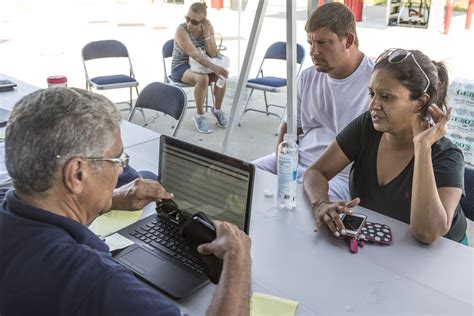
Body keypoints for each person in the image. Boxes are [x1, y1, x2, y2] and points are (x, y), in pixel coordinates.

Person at [0, 87, 252, 315]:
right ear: (77, 174)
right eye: (117, 160)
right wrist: (238, 260)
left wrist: (110, 199)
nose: (121, 171)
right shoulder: (97, 281)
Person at [303, 48, 468, 245]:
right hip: (384, 246)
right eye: (371, 93)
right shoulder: (368, 126)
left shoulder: (446, 154)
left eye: (386, 97)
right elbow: (315, 172)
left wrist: (423, 146)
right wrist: (321, 205)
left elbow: (426, 234)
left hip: (443, 261)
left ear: (420, 102)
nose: (373, 105)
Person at [252, 2, 374, 201]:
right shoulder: (308, 77)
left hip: (339, 176)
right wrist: (282, 166)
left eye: (323, 43)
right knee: (242, 177)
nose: (313, 51)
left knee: (297, 199)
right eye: (311, 43)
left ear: (348, 40)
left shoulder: (374, 83)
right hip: (296, 160)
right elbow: (289, 129)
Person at [171, 1, 228, 134]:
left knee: (222, 75)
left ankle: (217, 110)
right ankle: (199, 115)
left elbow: (213, 53)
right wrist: (214, 67)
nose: (189, 24)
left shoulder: (207, 28)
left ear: (203, 21)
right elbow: (195, 55)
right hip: (181, 66)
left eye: (195, 22)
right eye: (187, 19)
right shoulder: (181, 29)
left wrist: (207, 35)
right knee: (202, 79)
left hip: (202, 66)